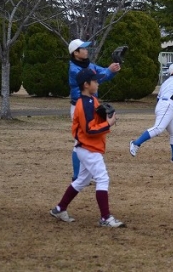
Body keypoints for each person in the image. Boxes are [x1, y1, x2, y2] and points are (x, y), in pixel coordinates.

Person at [50, 68, 124, 227]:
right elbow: (89, 130)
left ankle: (59, 209)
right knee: (102, 178)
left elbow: (94, 120)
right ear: (86, 84)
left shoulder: (91, 100)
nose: (98, 83)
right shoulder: (84, 104)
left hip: (87, 147)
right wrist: (108, 123)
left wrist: (104, 116)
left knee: (82, 180)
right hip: (88, 148)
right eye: (95, 81)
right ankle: (105, 218)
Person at [68, 39, 121, 181]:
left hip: (89, 105)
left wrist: (112, 69)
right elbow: (95, 79)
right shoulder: (74, 69)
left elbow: (101, 73)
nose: (86, 50)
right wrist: (109, 70)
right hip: (79, 106)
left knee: (89, 141)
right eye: (83, 48)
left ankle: (83, 175)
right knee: (80, 142)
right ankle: (77, 176)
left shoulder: (87, 65)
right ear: (75, 53)